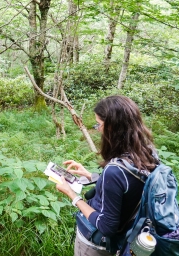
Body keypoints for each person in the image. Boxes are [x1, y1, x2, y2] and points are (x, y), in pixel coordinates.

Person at [55, 95, 159, 256]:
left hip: (98, 245)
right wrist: (92, 176)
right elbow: (128, 187)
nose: (98, 129)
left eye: (99, 124)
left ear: (111, 127)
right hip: (129, 233)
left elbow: (107, 226)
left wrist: (73, 195)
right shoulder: (148, 152)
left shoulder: (115, 170)